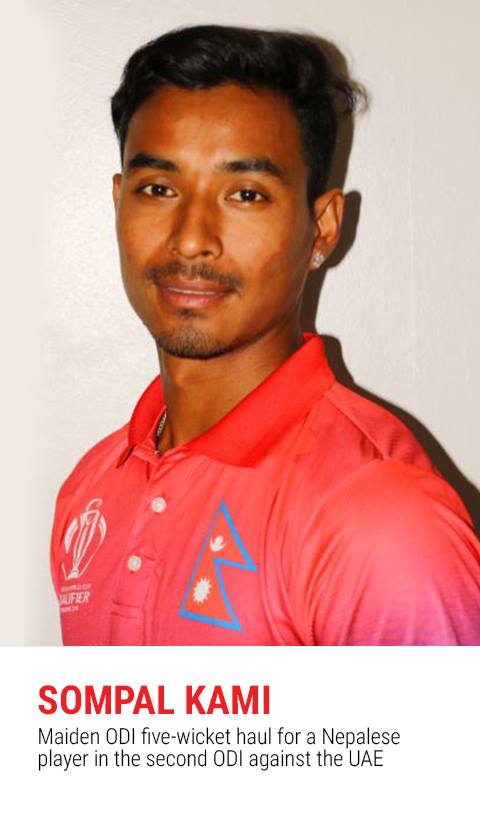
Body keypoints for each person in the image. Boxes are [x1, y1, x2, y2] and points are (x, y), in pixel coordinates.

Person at [50, 24, 480, 645]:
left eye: (246, 194)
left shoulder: (384, 523)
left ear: (322, 228)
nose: (191, 238)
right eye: (159, 189)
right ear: (119, 203)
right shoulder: (90, 489)